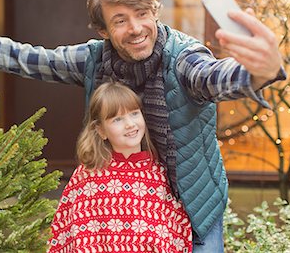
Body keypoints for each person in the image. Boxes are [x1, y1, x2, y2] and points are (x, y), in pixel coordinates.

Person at [0, 0, 285, 252]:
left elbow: (212, 77)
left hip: (192, 202)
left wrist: (256, 74)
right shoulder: (94, 60)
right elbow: (28, 59)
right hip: (129, 203)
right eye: (120, 20)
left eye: (143, 13)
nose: (136, 28)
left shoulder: (183, 57)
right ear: (103, 31)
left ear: (155, 12)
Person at [47, 81, 192, 252]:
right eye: (117, 119)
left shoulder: (159, 175)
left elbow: (177, 237)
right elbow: (66, 235)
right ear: (101, 130)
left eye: (134, 113)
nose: (130, 124)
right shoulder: (87, 176)